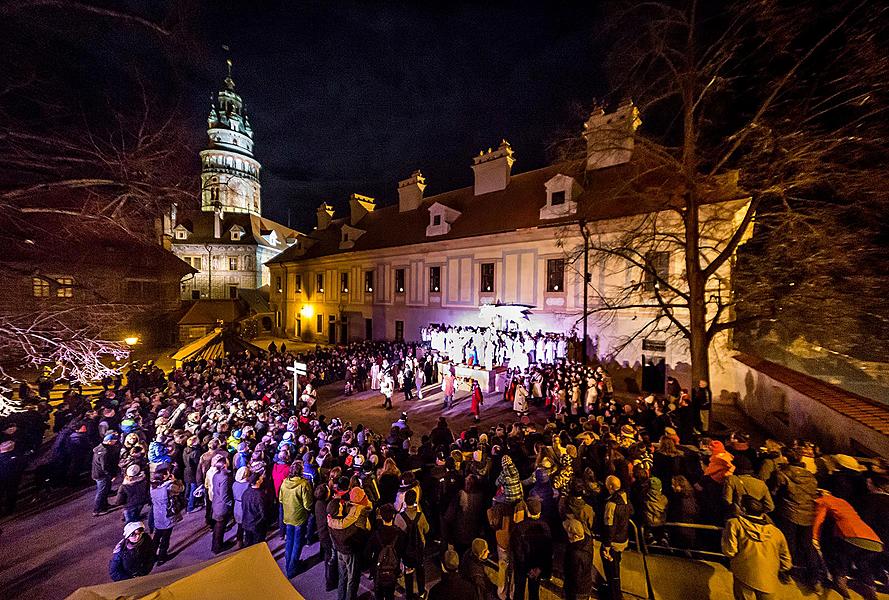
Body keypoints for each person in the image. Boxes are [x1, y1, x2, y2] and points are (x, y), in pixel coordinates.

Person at [813, 488, 883, 599]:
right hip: (875, 541)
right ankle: (870, 589)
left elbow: (819, 519)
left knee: (839, 556)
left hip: (853, 536)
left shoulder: (824, 500)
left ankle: (841, 585)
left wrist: (815, 537)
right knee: (863, 563)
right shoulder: (843, 502)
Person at [721, 496, 793, 600]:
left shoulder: (734, 524)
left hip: (743, 573)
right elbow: (786, 562)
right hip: (768, 580)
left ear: (744, 509)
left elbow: (729, 551)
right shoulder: (776, 532)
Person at [510, 496, 553, 600]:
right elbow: (547, 552)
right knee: (534, 592)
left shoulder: (519, 527)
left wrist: (524, 567)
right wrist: (539, 568)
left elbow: (517, 551)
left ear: (527, 510)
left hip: (522, 567)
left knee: (519, 591)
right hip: (537, 567)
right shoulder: (545, 527)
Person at [279, 460, 314, 578]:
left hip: (288, 516)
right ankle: (292, 569)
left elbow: (280, 499)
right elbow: (307, 505)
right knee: (297, 543)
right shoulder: (304, 484)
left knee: (289, 541)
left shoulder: (284, 482)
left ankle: (288, 564)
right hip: (299, 517)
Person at [396, 489, 430, 600]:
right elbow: (427, 529)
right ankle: (421, 592)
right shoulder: (420, 516)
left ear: (405, 501)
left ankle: (409, 595)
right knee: (420, 570)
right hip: (419, 548)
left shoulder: (399, 517)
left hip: (406, 550)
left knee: (408, 572)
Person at [600, 475, 630, 600]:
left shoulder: (612, 504)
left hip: (614, 542)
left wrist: (606, 545)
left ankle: (614, 594)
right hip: (623, 537)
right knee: (616, 564)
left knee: (612, 569)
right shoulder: (624, 497)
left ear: (611, 487)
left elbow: (609, 527)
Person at [366, 503, 404, 600]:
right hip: (393, 568)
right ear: (393, 516)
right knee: (390, 593)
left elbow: (367, 552)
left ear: (381, 517)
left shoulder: (376, 534)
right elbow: (402, 552)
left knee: (378, 593)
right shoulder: (400, 534)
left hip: (378, 568)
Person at [150, 468, 184, 563]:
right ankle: (162, 556)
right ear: (164, 476)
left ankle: (151, 556)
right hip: (167, 514)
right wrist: (175, 481)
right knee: (166, 536)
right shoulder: (169, 487)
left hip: (157, 514)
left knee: (157, 535)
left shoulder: (153, 486)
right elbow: (181, 489)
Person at [563, 518, 595, 600]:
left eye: (568, 533)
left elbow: (575, 577)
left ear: (575, 536)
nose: (566, 534)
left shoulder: (576, 555)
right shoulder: (587, 539)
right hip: (586, 585)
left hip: (577, 591)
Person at [91, 431, 120, 516]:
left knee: (105, 490)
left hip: (98, 473)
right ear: (109, 441)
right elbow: (105, 466)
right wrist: (111, 475)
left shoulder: (100, 448)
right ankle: (97, 510)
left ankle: (104, 505)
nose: (115, 443)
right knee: (101, 492)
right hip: (101, 475)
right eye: (114, 441)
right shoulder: (104, 452)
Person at [210, 455, 233, 554]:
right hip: (221, 506)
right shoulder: (224, 478)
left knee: (217, 526)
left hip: (216, 503)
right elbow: (224, 495)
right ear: (224, 465)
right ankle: (218, 547)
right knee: (220, 527)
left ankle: (215, 544)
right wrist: (231, 503)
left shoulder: (216, 475)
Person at [241, 471, 270, 547]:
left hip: (246, 521)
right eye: (260, 478)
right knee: (258, 544)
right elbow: (263, 512)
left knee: (248, 543)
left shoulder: (246, 492)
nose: (262, 478)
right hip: (257, 524)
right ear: (257, 481)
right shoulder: (260, 495)